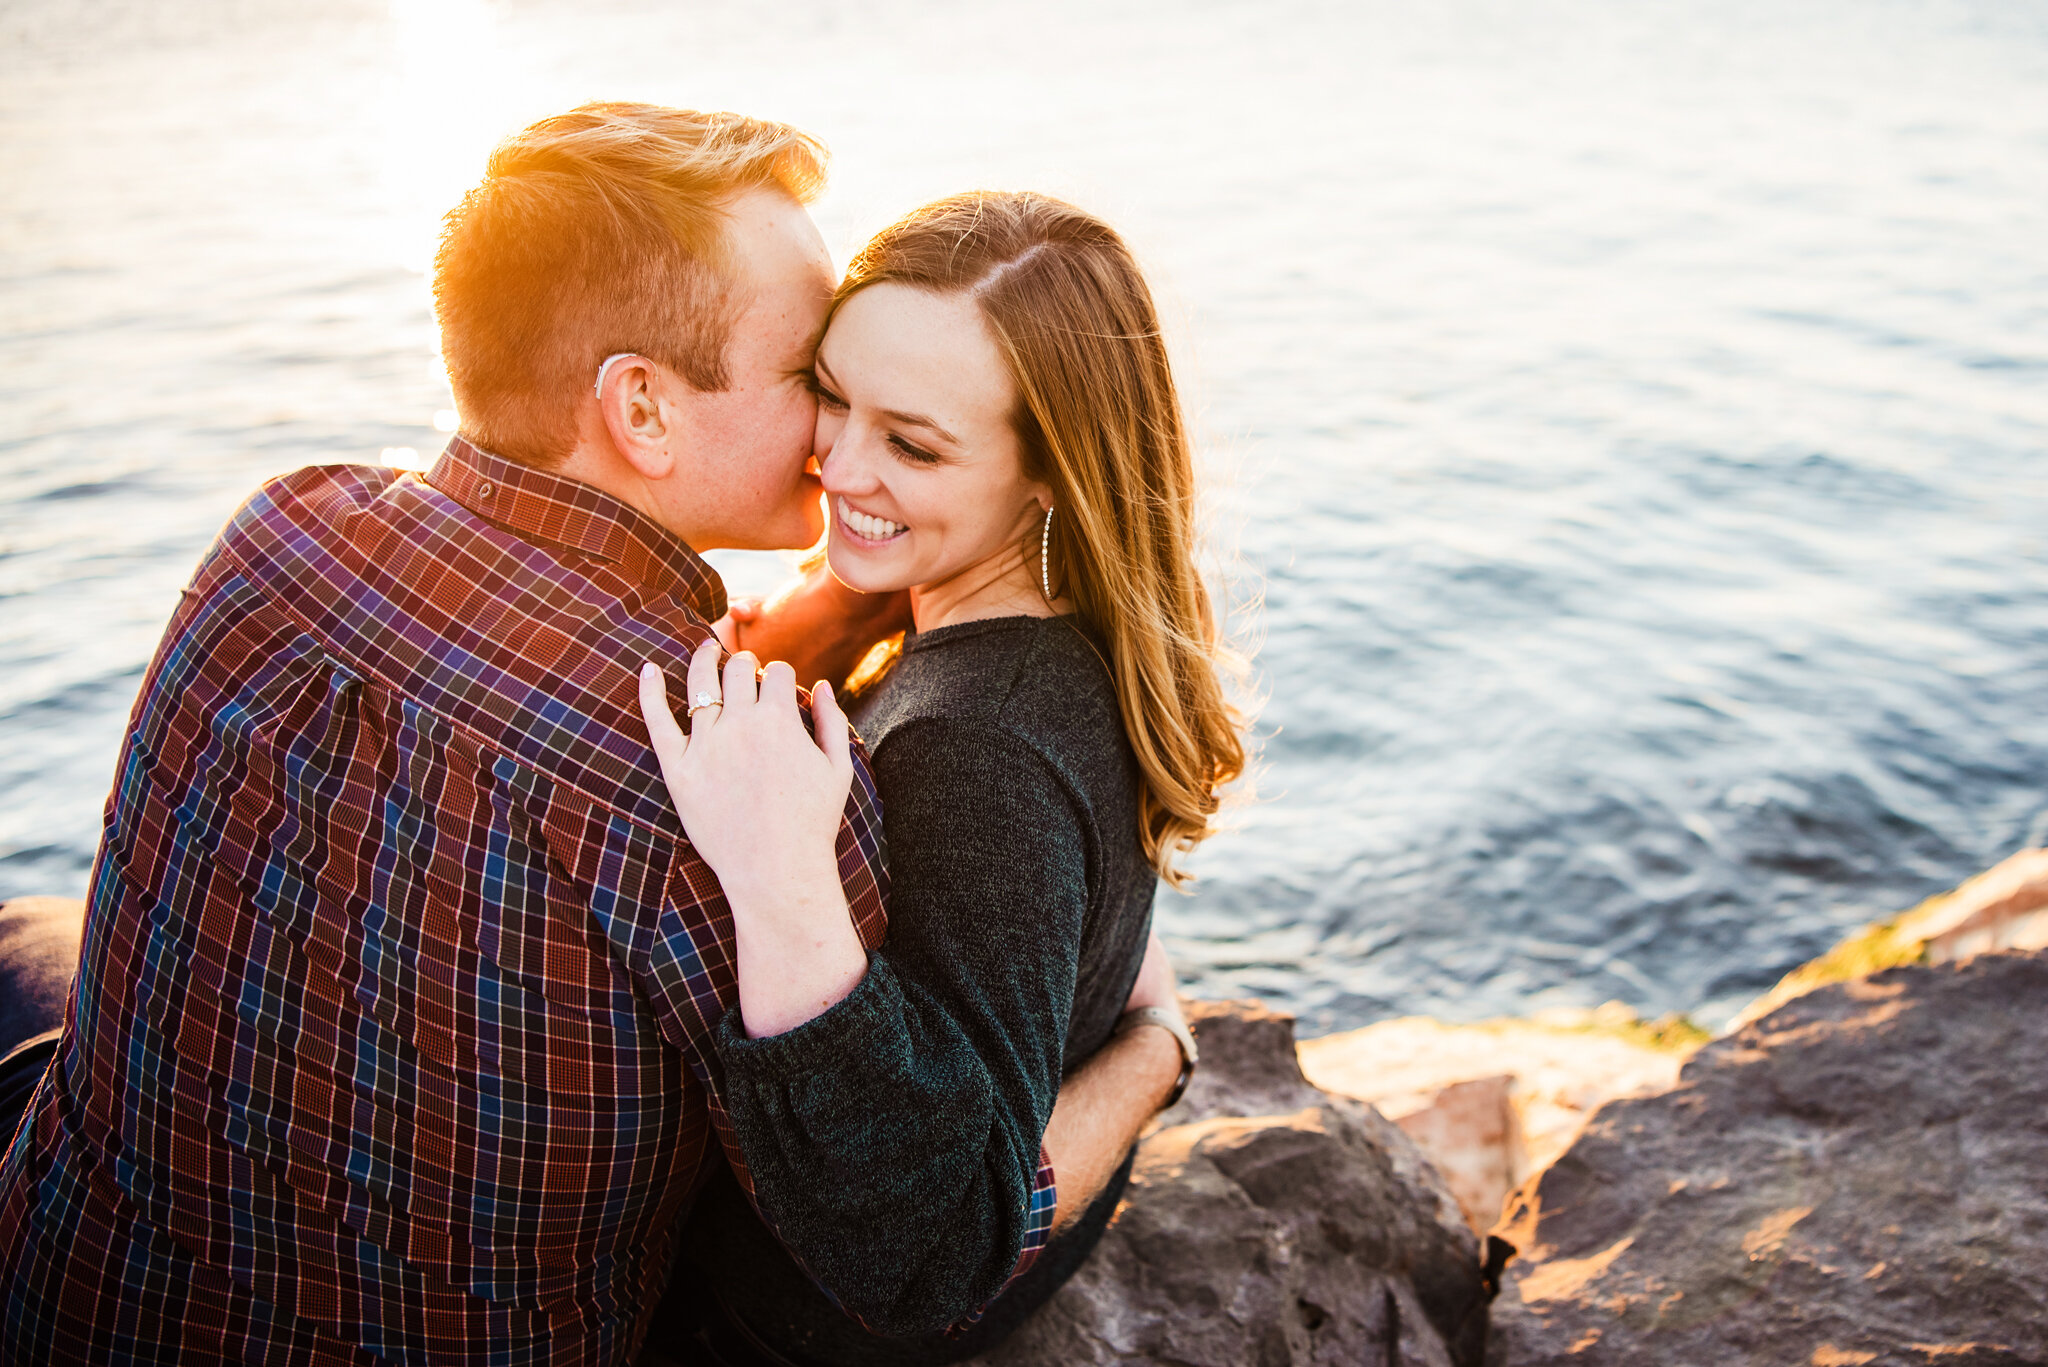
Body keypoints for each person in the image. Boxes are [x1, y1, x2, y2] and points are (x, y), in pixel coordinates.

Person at [0, 104, 1182, 1366]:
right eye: (812, 383)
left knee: (31, 938)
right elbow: (927, 1239)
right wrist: (1154, 1047)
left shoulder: (280, 533)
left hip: (62, 1282)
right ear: (643, 410)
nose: (834, 446)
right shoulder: (737, 780)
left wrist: (841, 600)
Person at [635, 190, 1246, 1365]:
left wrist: (778, 884)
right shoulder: (1035, 636)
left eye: (911, 443)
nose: (838, 461)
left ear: (1051, 472)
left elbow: (936, 1247)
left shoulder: (975, 751)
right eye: (830, 392)